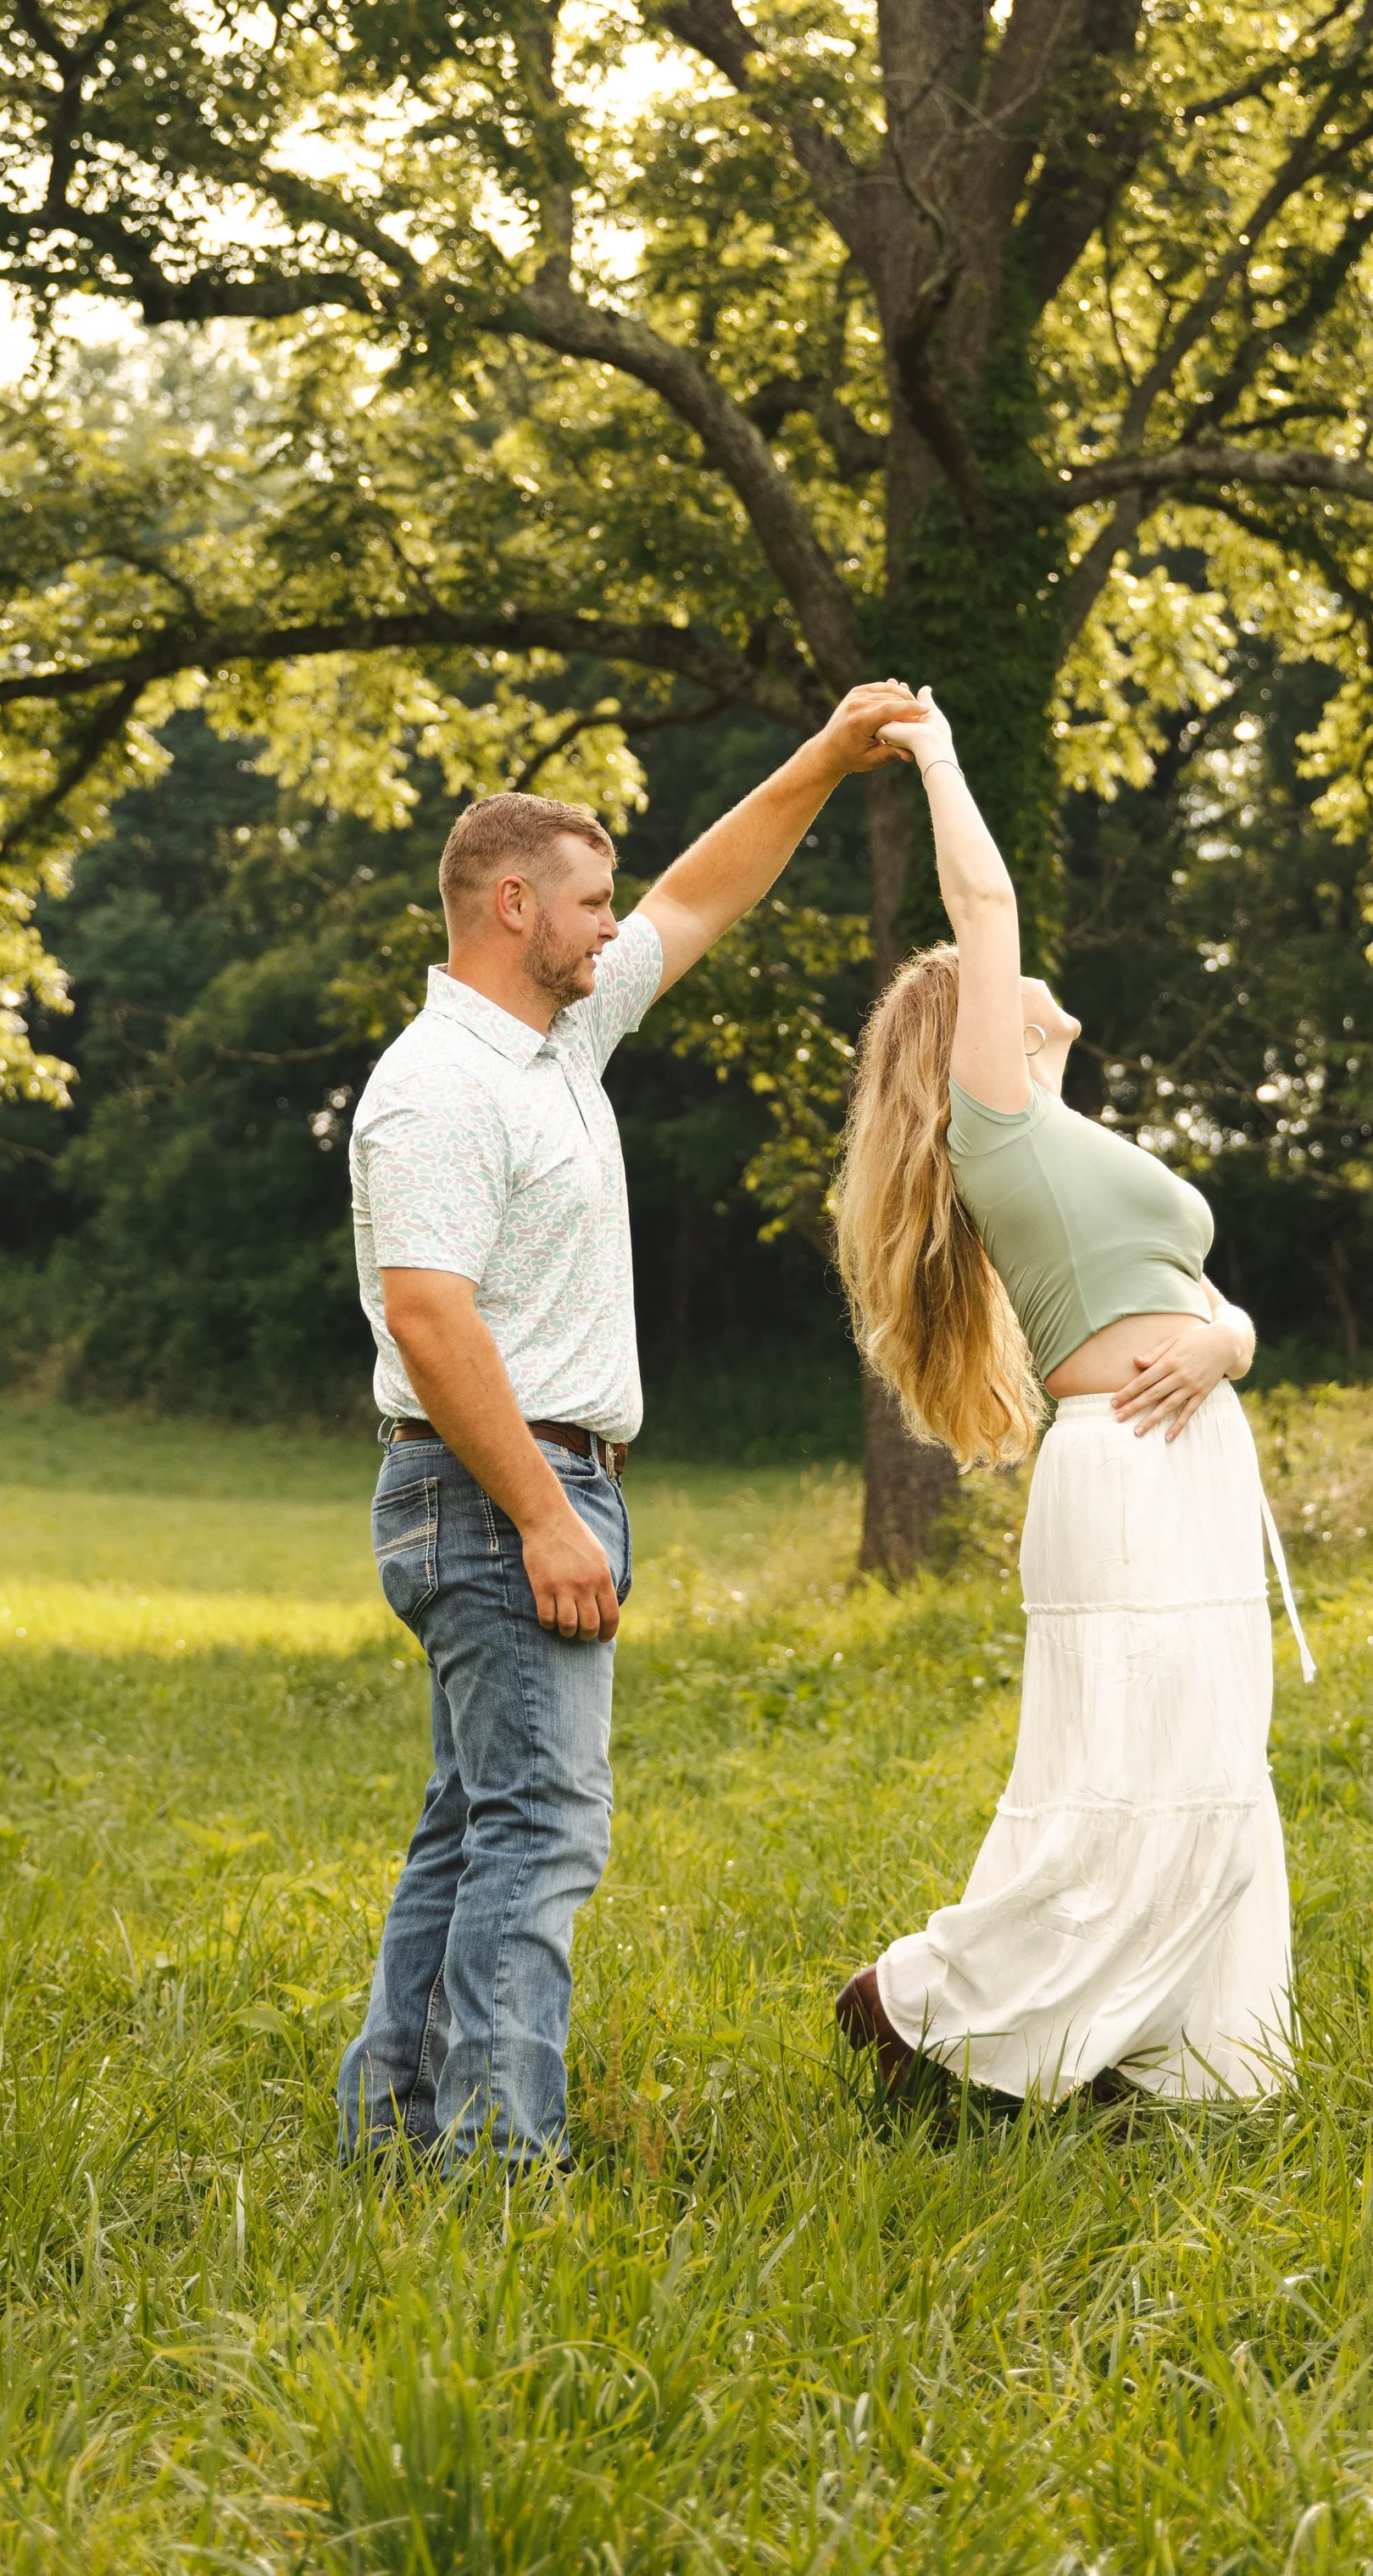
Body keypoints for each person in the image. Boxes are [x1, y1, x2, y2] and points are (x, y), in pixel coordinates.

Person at [337, 682, 923, 2175]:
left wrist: (829, 756)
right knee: (538, 1839)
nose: (615, 927)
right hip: (495, 1489)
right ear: (513, 904)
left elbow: (701, 893)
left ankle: (396, 2131)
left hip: (522, 1485)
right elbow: (428, 1317)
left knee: (472, 1829)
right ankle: (494, 2167)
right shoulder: (438, 1089)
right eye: (589, 904)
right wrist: (543, 1515)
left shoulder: (558, 1040)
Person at [831, 688, 1313, 2108]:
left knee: (1206, 1775)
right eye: (983, 978)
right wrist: (940, 751)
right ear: (965, 1033)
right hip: (1132, 1475)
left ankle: (1156, 2064)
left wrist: (1228, 1338)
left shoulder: (1072, 1140)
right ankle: (920, 2006)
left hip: (1190, 1464)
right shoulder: (1003, 1126)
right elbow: (982, 897)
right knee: (1139, 1782)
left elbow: (1185, 1299)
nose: (1020, 977)